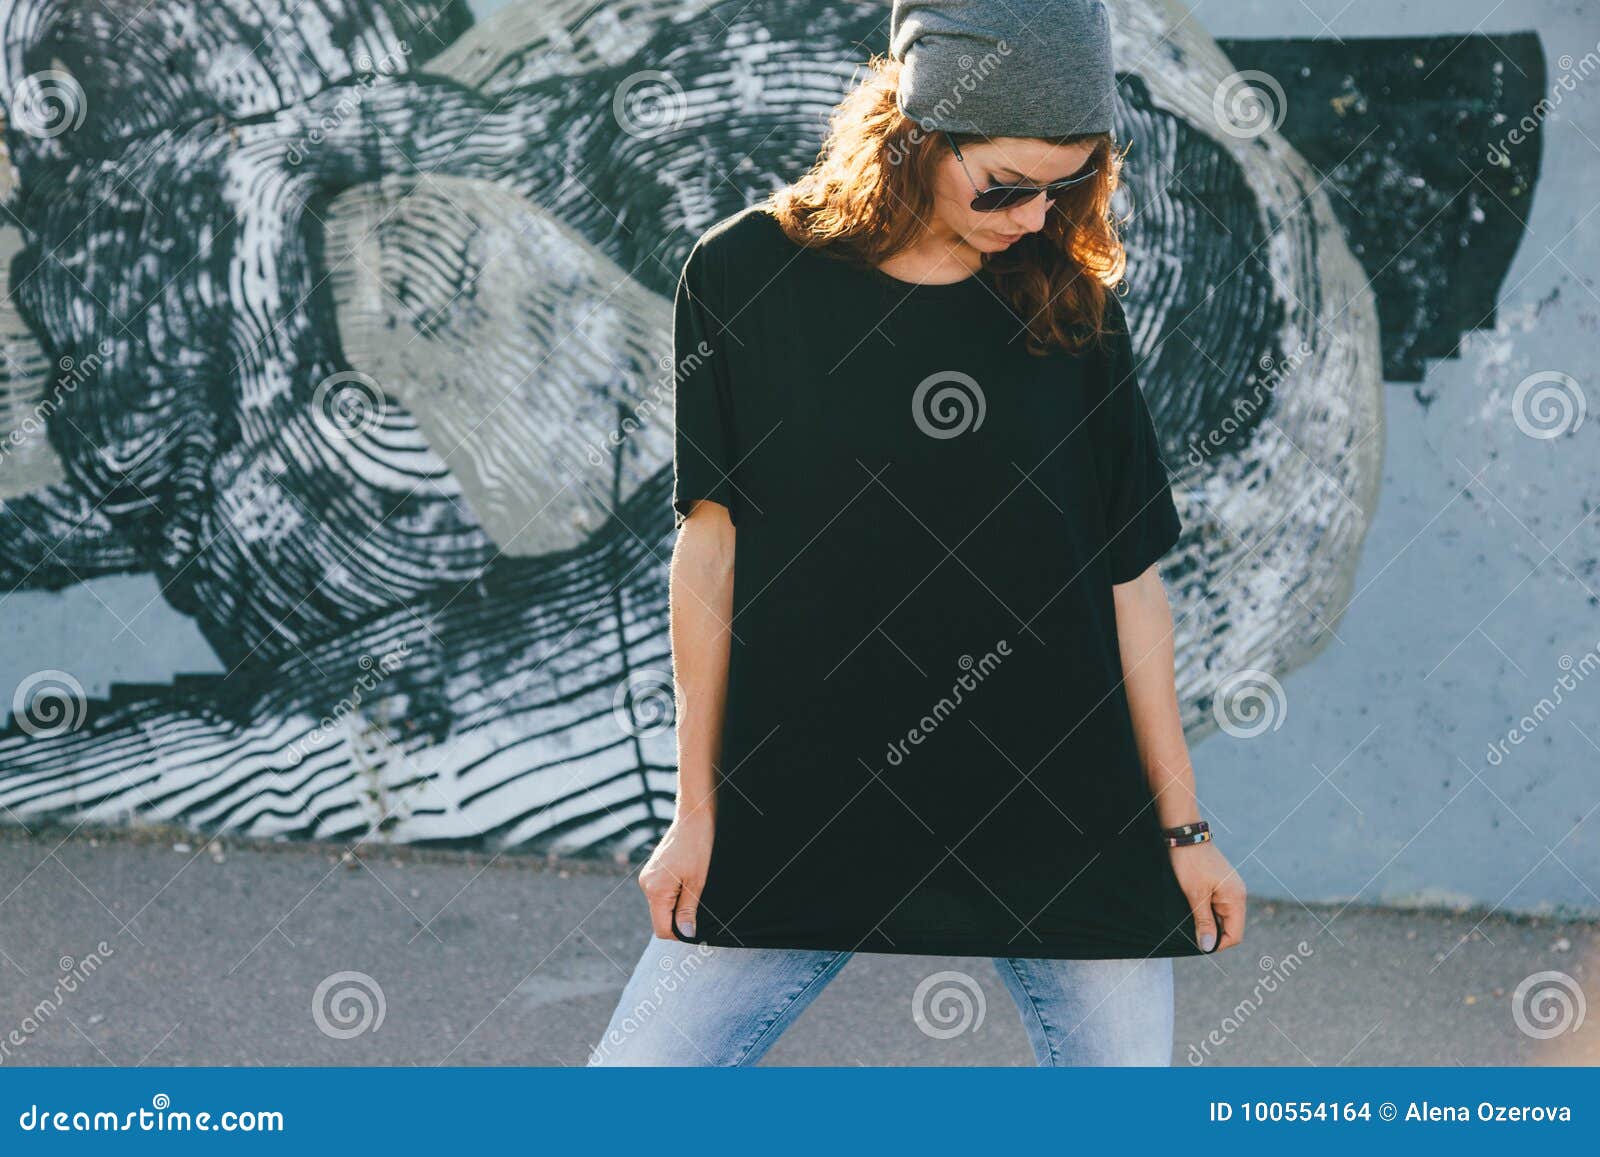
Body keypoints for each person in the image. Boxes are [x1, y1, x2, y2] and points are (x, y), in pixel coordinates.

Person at [590, 0, 1245, 1067]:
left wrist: (1185, 828)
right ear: (915, 136)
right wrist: (695, 811)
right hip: (804, 799)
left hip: (1060, 816)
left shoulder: (1070, 304)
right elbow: (710, 555)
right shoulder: (741, 278)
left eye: (1067, 184)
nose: (1036, 217)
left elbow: (1128, 583)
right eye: (1007, 184)